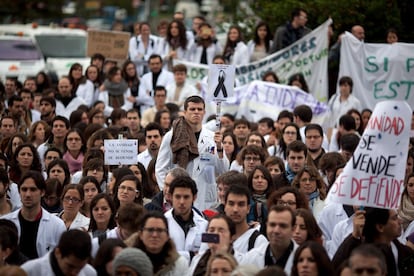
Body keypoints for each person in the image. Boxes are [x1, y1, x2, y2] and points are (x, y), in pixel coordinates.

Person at [156, 96, 229, 210]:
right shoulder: (172, 136)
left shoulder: (213, 137)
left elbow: (223, 171)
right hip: (179, 196)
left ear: (204, 112)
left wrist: (219, 148)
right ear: (185, 112)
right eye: (192, 109)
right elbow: (161, 168)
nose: (196, 112)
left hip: (205, 196)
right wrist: (168, 193)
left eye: (199, 109)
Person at [1, 171, 66, 259]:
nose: (28, 194)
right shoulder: (5, 223)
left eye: (33, 189)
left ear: (42, 192)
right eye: (24, 189)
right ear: (19, 192)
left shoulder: (57, 225)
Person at [332, 207, 414, 275]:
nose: (400, 221)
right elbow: (334, 269)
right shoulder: (360, 255)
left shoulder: (406, 253)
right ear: (380, 227)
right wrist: (354, 236)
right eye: (394, 218)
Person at [240, 205, 298, 273]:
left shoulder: (303, 258)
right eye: (272, 225)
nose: (276, 230)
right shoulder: (251, 258)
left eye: (283, 226)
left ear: (293, 229)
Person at [164, 175, 208, 263]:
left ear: (194, 197)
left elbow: (205, 255)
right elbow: (163, 255)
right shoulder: (163, 223)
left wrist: (176, 254)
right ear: (171, 197)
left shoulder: (205, 225)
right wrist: (191, 255)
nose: (182, 202)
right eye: (177, 197)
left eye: (186, 197)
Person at [21, 229, 96, 276]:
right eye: (70, 266)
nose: (74, 273)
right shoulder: (29, 270)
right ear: (58, 253)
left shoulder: (90, 273)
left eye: (80, 268)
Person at [224, 184, 268, 253]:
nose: (235, 209)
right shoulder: (214, 235)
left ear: (248, 208)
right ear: (225, 206)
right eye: (231, 204)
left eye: (241, 204)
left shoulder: (259, 241)